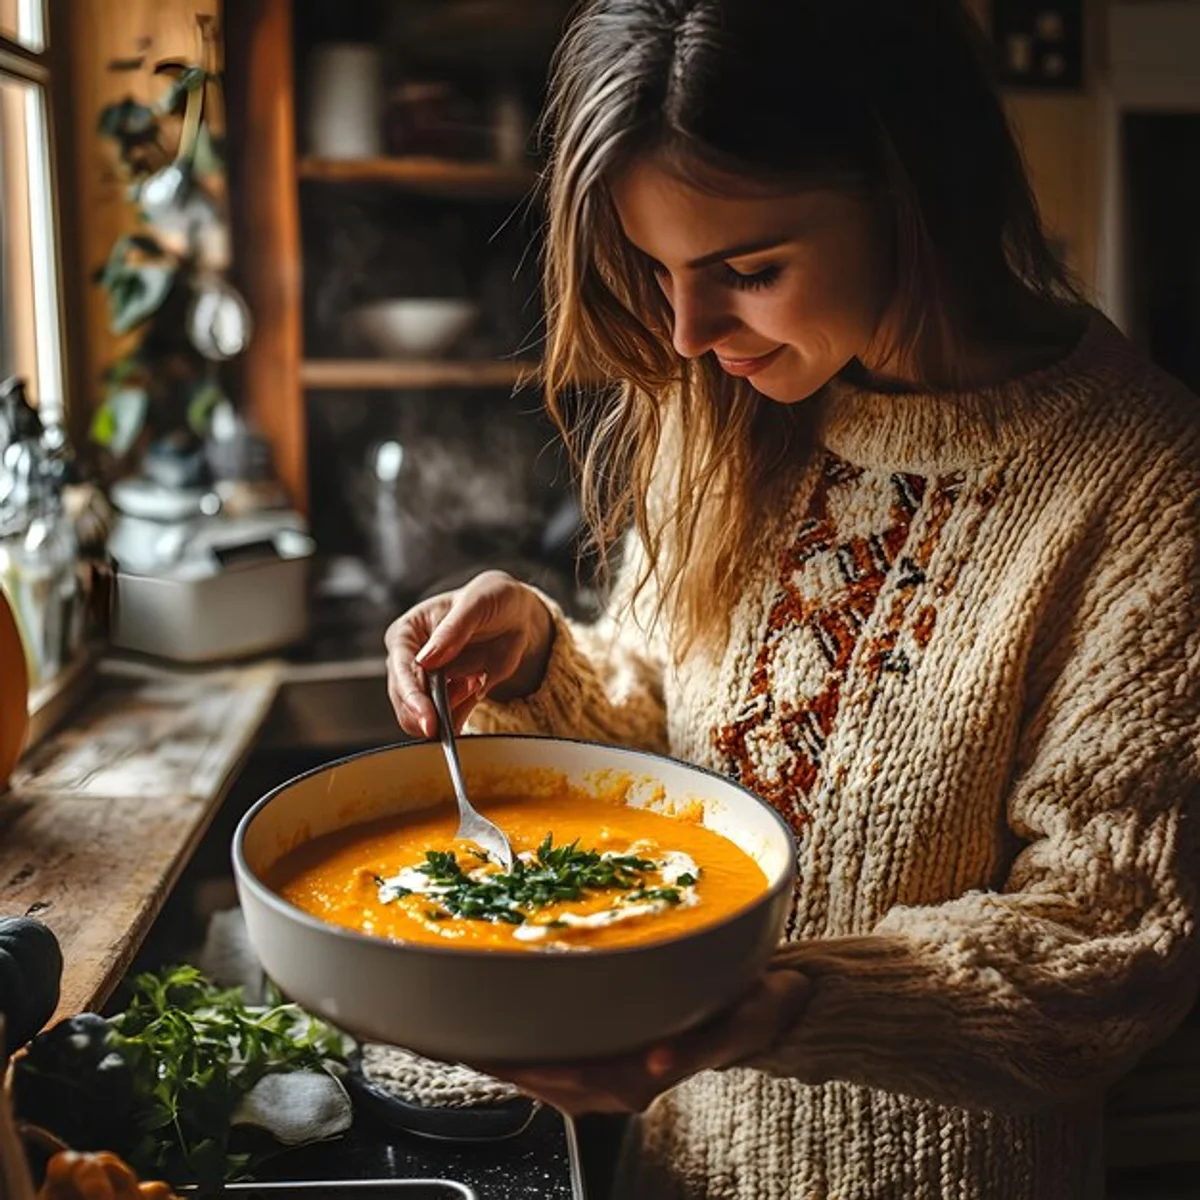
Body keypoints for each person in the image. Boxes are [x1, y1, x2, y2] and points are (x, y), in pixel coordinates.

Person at [384, 0, 1200, 1196]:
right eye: (656, 271)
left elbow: (1106, 945)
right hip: (679, 1171)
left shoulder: (1149, 486)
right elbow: (668, 719)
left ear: (915, 188)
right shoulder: (725, 410)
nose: (687, 331)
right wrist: (539, 663)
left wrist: (769, 1008)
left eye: (749, 270)